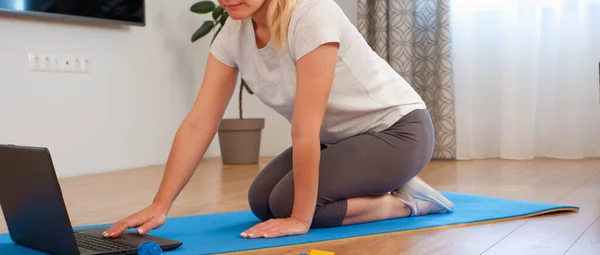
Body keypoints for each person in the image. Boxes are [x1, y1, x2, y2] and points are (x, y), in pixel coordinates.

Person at [103, 0, 454, 240]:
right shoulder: (232, 35)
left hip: (397, 132)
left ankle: (408, 202)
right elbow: (200, 122)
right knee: (262, 201)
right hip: (340, 140)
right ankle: (376, 186)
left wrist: (300, 219)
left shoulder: (311, 14)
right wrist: (159, 205)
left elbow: (305, 128)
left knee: (289, 204)